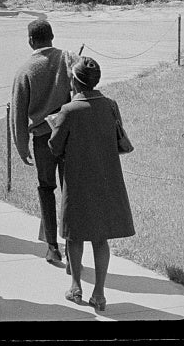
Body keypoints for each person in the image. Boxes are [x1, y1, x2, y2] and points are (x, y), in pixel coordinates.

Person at [49, 56, 135, 312]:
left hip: (77, 180)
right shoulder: (110, 105)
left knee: (75, 236)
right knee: (100, 237)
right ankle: (99, 293)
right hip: (106, 177)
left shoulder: (68, 110)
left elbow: (55, 146)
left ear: (74, 81)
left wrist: (54, 124)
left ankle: (75, 286)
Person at [11, 19, 74, 265]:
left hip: (42, 138)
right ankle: (71, 244)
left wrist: (20, 144)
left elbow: (18, 111)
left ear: (30, 41)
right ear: (52, 36)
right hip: (68, 133)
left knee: (46, 189)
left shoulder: (25, 69)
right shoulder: (67, 59)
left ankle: (51, 246)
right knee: (70, 189)